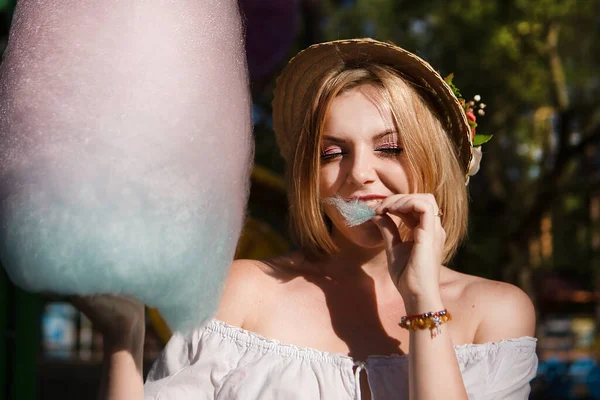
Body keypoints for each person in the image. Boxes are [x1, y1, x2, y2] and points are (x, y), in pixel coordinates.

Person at [75, 38, 538, 400]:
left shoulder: (495, 312)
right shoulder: (239, 292)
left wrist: (422, 301)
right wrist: (124, 338)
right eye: (332, 153)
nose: (358, 174)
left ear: (436, 164)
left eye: (390, 148)